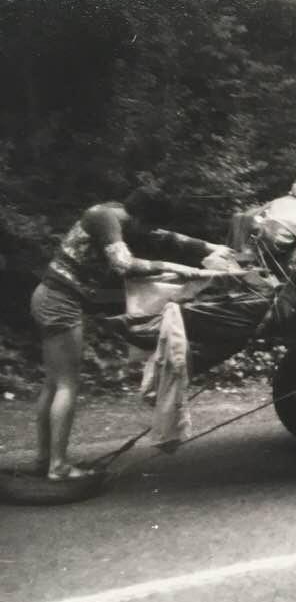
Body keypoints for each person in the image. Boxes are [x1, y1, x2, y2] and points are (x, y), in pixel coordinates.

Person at [30, 185, 234, 480]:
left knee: (53, 384)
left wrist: (209, 248)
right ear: (140, 216)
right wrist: (177, 268)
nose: (149, 230)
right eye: (148, 223)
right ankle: (58, 467)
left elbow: (165, 237)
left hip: (51, 298)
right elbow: (124, 264)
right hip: (59, 301)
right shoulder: (104, 218)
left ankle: (43, 459)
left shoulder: (119, 215)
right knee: (66, 385)